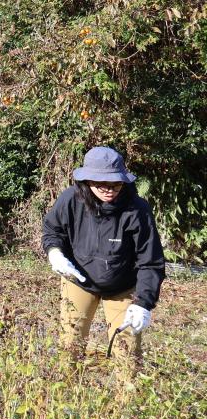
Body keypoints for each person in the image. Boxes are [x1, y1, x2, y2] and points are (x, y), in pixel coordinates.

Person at [42, 146, 165, 379]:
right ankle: (66, 395)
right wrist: (55, 253)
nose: (110, 190)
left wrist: (143, 303)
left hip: (123, 286)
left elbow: (151, 261)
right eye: (103, 185)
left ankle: (126, 406)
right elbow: (52, 230)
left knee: (126, 351)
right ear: (87, 181)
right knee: (70, 342)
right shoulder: (70, 199)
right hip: (78, 279)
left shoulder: (137, 210)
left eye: (116, 184)